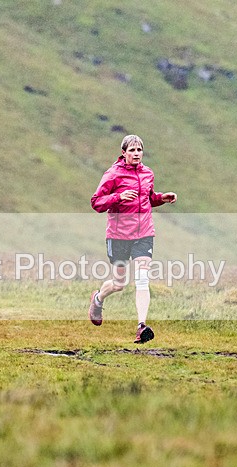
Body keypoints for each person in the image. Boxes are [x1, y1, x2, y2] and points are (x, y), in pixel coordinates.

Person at [88, 134, 177, 343]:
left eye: (139, 150)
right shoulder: (113, 175)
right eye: (132, 150)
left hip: (144, 234)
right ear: (124, 153)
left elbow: (148, 198)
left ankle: (141, 326)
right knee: (119, 283)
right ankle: (98, 298)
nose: (136, 154)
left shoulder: (147, 173)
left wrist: (162, 198)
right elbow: (96, 202)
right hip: (118, 236)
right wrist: (118, 197)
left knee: (142, 279)